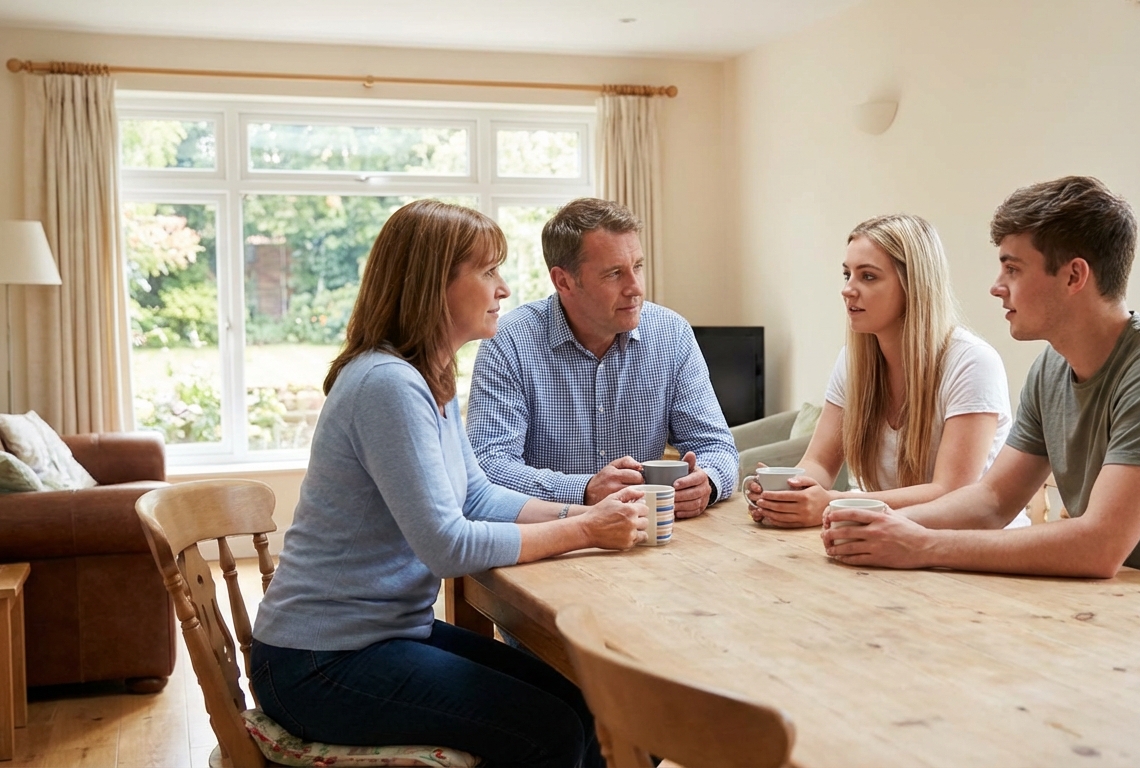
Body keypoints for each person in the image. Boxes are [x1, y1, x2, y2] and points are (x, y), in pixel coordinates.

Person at [250, 200, 647, 767]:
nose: (504, 289)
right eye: (488, 272)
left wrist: (584, 509)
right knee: (549, 730)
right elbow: (447, 545)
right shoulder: (387, 384)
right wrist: (586, 528)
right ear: (435, 284)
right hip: (319, 662)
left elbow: (476, 496)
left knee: (581, 701)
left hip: (380, 637)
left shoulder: (428, 377)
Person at [821, 176, 1140, 598]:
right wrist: (873, 522)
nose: (996, 287)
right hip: (1111, 605)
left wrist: (920, 545)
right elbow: (993, 500)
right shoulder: (1052, 367)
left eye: (1012, 269)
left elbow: (1098, 546)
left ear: (1074, 276)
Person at [745, 213, 1025, 529]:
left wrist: (834, 503)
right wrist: (789, 494)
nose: (847, 289)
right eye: (847, 274)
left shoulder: (972, 363)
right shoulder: (853, 361)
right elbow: (819, 463)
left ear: (914, 286)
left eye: (868, 276)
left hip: (973, 549)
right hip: (885, 539)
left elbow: (951, 492)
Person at [466, 197, 738, 519]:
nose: (635, 288)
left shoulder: (671, 333)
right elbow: (489, 465)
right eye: (614, 274)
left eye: (637, 266)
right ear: (563, 281)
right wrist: (584, 490)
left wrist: (707, 481)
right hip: (546, 542)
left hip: (642, 537)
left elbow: (718, 447)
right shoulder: (509, 341)